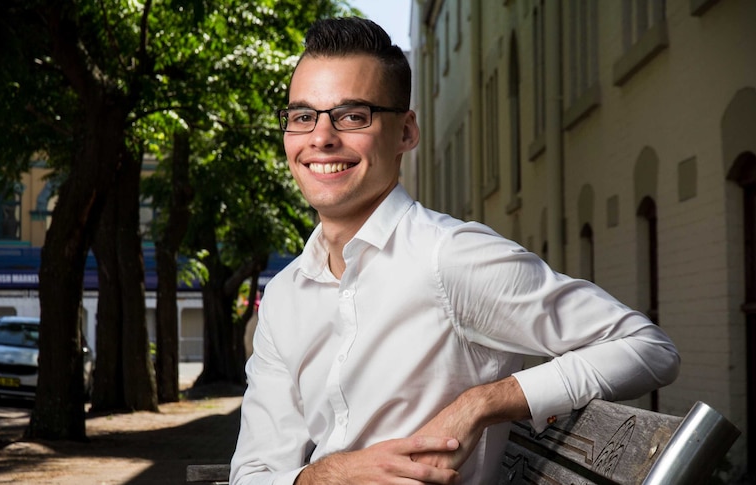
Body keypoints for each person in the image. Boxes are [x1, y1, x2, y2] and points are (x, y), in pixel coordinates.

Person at [230, 17, 680, 485]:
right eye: (303, 116)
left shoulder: (450, 257)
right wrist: (328, 475)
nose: (321, 137)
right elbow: (253, 473)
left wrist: (482, 403)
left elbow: (648, 348)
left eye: (352, 115)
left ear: (405, 132)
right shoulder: (285, 296)